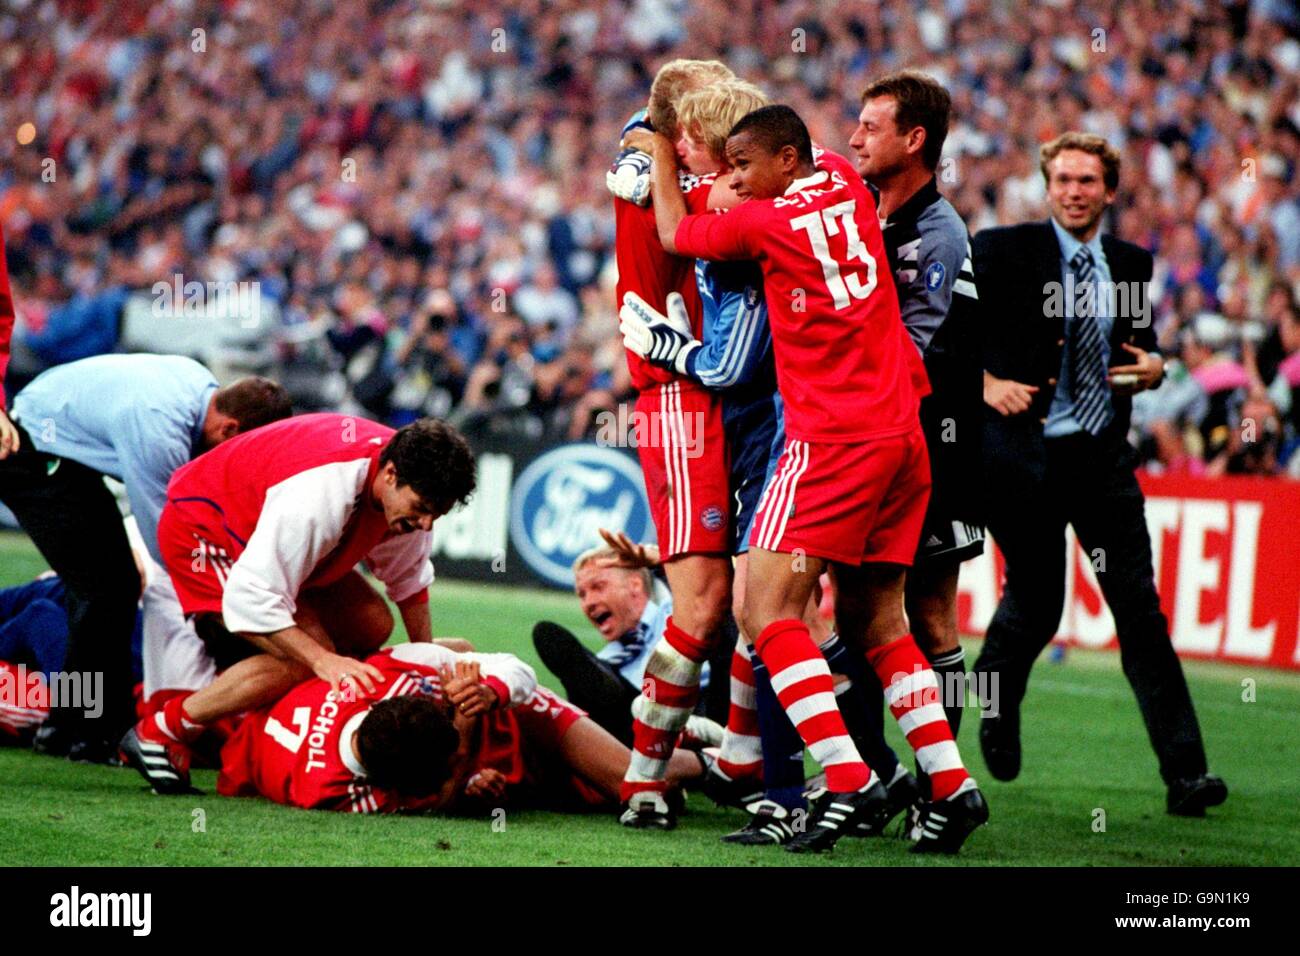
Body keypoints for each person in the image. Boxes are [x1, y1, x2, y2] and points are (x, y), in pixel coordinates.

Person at [629, 104, 987, 854]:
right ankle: (952, 787)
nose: (731, 181)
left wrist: (662, 158)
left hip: (829, 438)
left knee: (765, 613)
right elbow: (806, 145)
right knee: (874, 619)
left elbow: (670, 233)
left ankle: (848, 779)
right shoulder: (851, 190)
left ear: (784, 161)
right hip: (903, 435)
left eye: (742, 168)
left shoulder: (765, 226)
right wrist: (740, 160)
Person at [972, 131, 1227, 816]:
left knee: (1140, 613)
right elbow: (941, 334)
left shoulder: (1133, 264)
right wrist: (986, 381)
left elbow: (1136, 352)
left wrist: (1156, 366)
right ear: (1047, 185)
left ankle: (1187, 775)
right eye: (1063, 180)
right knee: (1035, 607)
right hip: (1026, 462)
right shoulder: (1003, 250)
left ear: (1109, 190)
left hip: (1102, 461)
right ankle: (993, 694)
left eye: (1087, 181)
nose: (1074, 191)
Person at [118, 413, 477, 795]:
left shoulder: (406, 481)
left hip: (265, 532)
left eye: (435, 516)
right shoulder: (321, 495)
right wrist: (324, 661)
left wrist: (425, 663)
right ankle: (160, 730)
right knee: (305, 659)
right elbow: (252, 596)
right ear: (389, 475)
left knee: (373, 625)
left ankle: (294, 709)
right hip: (207, 534)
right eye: (420, 509)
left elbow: (409, 581)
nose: (425, 525)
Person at [0, 354, 291, 762]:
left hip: (62, 444)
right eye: (242, 450)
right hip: (32, 448)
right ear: (229, 427)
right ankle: (92, 731)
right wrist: (212, 608)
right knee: (105, 590)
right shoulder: (160, 428)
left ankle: (67, 724)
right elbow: (166, 535)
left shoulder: (199, 389)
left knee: (106, 589)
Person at [608, 58, 746, 829]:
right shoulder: (676, 185)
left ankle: (746, 762)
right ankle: (644, 779)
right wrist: (651, 140)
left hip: (723, 396)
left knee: (760, 596)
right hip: (681, 397)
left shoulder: (665, 169)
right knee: (704, 599)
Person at [848, 70, 984, 800]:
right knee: (853, 609)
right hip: (866, 443)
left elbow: (913, 345)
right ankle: (873, 773)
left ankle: (940, 784)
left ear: (915, 138)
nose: (854, 137)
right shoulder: (863, 215)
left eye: (871, 125)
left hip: (937, 446)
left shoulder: (940, 233)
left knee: (929, 614)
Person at [216, 642, 707, 813]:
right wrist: (467, 762)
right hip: (496, 764)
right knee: (601, 795)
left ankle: (711, 761)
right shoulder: (331, 791)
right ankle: (657, 735)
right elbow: (438, 805)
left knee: (628, 782)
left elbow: (514, 668)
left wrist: (488, 691)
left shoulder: (386, 674)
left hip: (511, 715)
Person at [532, 543, 719, 748]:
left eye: (598, 587)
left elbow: (706, 589)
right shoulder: (604, 664)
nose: (588, 603)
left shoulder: (673, 613)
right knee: (585, 683)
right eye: (582, 595)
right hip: (634, 734)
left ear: (635, 586)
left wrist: (661, 563)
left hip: (703, 706)